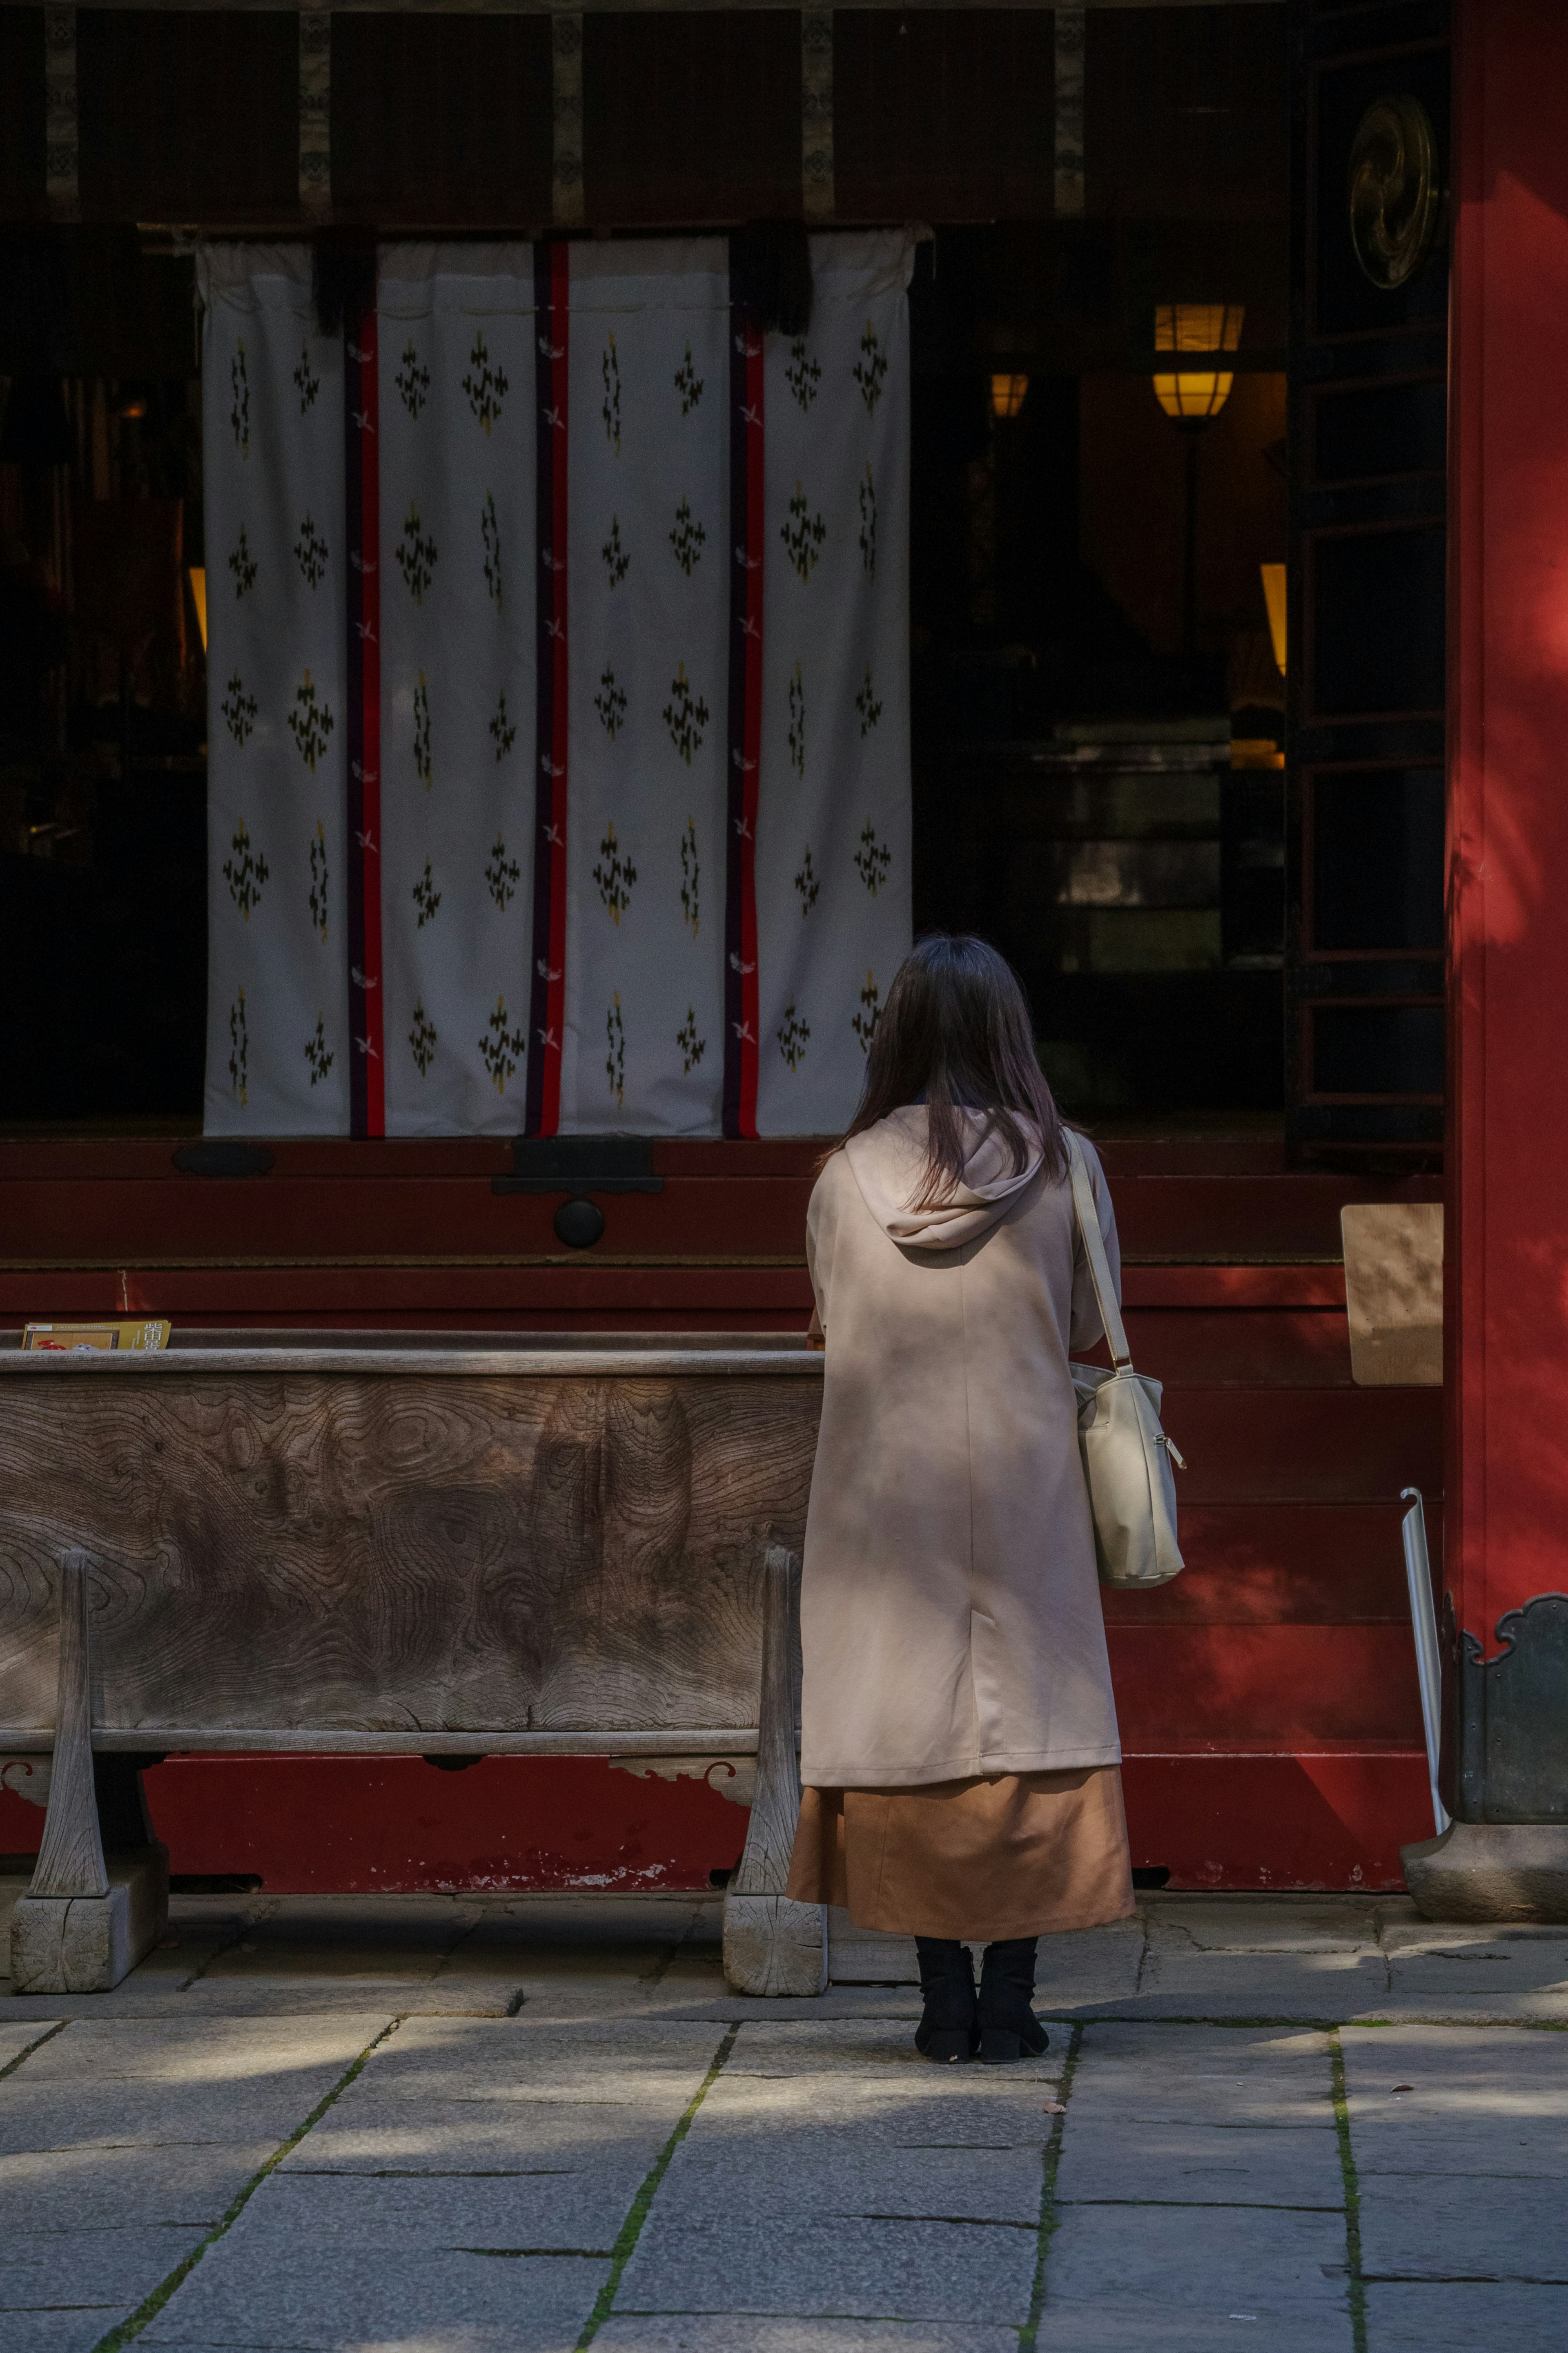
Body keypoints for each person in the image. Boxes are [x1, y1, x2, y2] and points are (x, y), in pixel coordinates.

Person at [786, 934, 1136, 2063]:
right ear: (1009, 1034)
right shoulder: (1066, 1165)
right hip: (1027, 1487)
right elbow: (1088, 1318)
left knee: (915, 1725)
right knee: (1029, 1724)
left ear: (897, 1038)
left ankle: (941, 2003)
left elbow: (834, 1314)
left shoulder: (846, 1178)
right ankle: (1016, 1999)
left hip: (887, 1508)